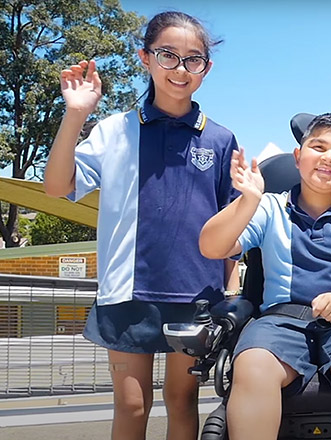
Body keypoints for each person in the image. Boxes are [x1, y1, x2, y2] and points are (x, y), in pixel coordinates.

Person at [43, 11, 240, 440]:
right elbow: (57, 187)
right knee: (132, 406)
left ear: (206, 68)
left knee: (181, 401)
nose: (180, 69)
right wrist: (75, 115)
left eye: (194, 59)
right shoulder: (115, 130)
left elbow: (230, 227)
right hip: (126, 292)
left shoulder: (220, 139)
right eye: (168, 55)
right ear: (144, 58)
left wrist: (232, 289)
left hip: (198, 296)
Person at [198, 113, 331, 440]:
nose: (327, 158)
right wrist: (247, 201)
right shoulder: (269, 207)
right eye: (318, 147)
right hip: (281, 320)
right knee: (253, 365)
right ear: (298, 157)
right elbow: (211, 247)